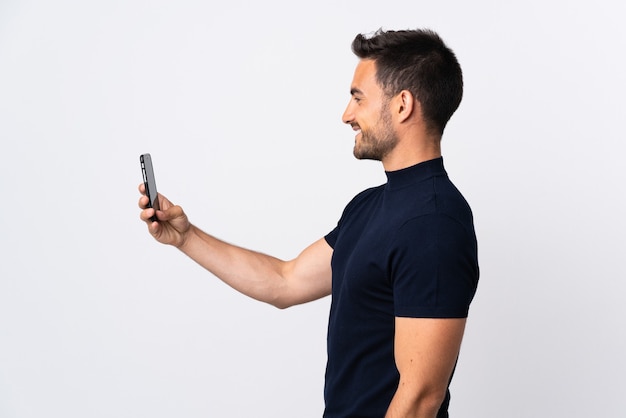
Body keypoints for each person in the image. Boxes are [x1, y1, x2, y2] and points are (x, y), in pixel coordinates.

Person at [138, 28, 479, 418]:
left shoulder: (433, 223)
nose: (346, 114)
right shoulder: (370, 206)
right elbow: (286, 281)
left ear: (402, 105)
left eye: (357, 98)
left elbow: (420, 399)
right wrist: (186, 237)